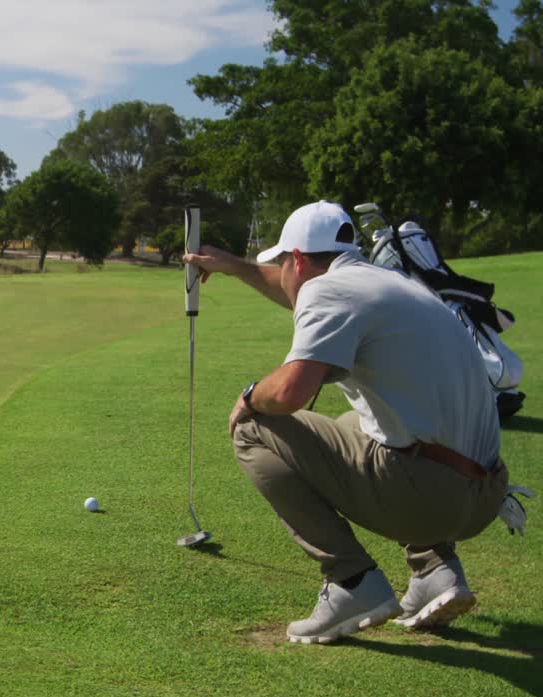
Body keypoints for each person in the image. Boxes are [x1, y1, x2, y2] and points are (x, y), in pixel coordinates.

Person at [184, 200, 525, 645]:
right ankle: (435, 571)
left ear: (299, 259)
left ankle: (351, 582)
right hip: (484, 493)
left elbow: (290, 394)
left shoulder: (328, 291)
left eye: (283, 261)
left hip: (432, 498)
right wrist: (235, 267)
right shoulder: (391, 283)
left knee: (255, 428)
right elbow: (292, 290)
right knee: (355, 421)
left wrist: (249, 397)